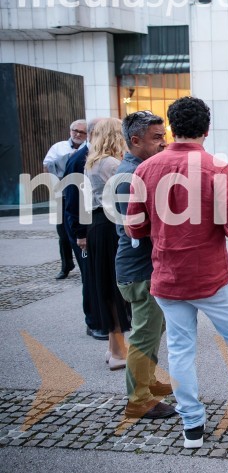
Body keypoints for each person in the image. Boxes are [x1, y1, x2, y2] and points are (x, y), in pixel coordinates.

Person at [126, 97, 228, 448]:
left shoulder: (146, 169)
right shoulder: (217, 168)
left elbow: (134, 228)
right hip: (211, 276)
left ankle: (192, 424)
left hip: (167, 278)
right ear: (207, 129)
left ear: (172, 128)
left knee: (180, 348)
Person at [113, 111, 175, 420]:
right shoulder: (130, 176)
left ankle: (148, 382)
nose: (164, 143)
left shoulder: (140, 169)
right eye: (157, 138)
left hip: (146, 266)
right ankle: (138, 398)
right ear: (135, 141)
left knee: (154, 328)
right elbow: (139, 227)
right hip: (140, 269)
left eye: (163, 136)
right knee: (143, 335)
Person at [84, 117, 131, 370]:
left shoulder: (93, 161)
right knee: (115, 289)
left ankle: (114, 347)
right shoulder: (111, 163)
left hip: (97, 225)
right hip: (109, 225)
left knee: (107, 287)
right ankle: (117, 351)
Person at [63, 118, 106, 340]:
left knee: (97, 275)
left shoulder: (91, 157)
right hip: (83, 229)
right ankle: (94, 322)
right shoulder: (80, 159)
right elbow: (73, 200)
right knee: (89, 276)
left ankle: (102, 319)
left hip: (90, 226)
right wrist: (80, 233)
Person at [44, 119, 86, 280]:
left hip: (78, 193)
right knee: (63, 232)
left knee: (79, 230)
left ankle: (83, 265)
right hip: (61, 194)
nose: (77, 134)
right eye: (75, 130)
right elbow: (47, 166)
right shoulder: (58, 147)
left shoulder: (86, 148)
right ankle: (66, 265)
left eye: (82, 132)